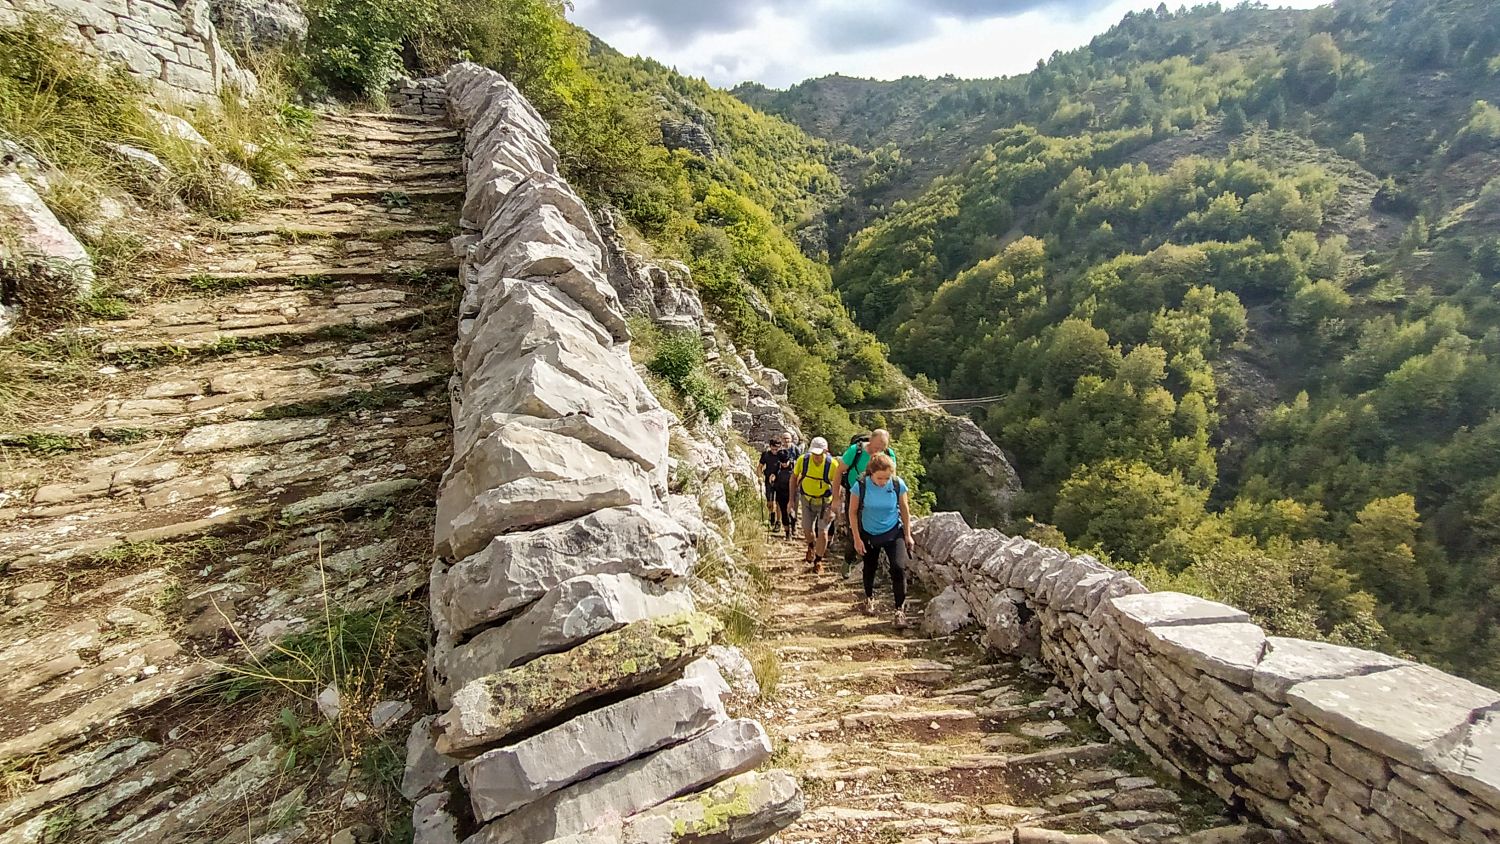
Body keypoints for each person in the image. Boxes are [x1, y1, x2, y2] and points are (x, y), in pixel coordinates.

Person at [848, 453, 915, 629]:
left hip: (894, 531)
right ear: (871, 473)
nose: (884, 481)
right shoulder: (860, 486)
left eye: (887, 477)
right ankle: (869, 599)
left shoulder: (897, 484)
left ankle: (899, 611)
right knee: (870, 567)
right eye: (880, 478)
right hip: (869, 534)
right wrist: (856, 538)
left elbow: (905, 509)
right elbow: (852, 512)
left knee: (898, 568)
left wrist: (907, 534)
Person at [836, 429, 898, 575]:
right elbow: (838, 472)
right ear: (870, 440)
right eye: (876, 447)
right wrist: (836, 499)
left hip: (878, 499)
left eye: (882, 448)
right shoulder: (855, 451)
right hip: (855, 495)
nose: (878, 451)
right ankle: (848, 560)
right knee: (855, 530)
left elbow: (893, 480)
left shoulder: (889, 455)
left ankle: (868, 563)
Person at [793, 436, 841, 573]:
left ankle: (818, 561)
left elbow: (837, 486)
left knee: (823, 532)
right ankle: (811, 546)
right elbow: (794, 477)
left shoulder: (832, 465)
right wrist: (791, 500)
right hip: (806, 499)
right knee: (807, 529)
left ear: (826, 452)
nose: (816, 457)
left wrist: (833, 507)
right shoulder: (803, 460)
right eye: (814, 453)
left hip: (825, 502)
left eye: (819, 454)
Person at [772, 433, 800, 540]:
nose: (784, 464)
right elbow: (772, 474)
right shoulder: (777, 465)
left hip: (793, 492)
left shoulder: (795, 466)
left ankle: (793, 526)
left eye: (786, 462)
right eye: (782, 462)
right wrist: (772, 479)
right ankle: (787, 533)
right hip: (781, 492)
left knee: (792, 511)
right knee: (784, 512)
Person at [758, 438, 781, 530]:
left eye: (777, 449)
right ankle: (772, 516)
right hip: (768, 480)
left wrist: (777, 475)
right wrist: (760, 477)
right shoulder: (766, 455)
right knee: (769, 502)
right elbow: (760, 467)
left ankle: (778, 522)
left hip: (779, 481)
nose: (775, 451)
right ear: (770, 446)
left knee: (779, 502)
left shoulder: (782, 455)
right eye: (773, 448)